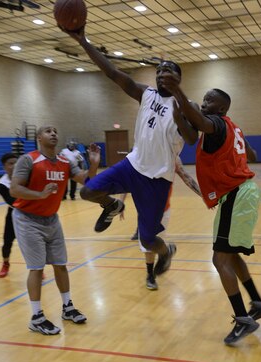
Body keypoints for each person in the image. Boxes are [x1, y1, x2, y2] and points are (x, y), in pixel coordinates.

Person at [62, 26, 199, 277]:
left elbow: (191, 139)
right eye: (158, 71)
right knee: (89, 191)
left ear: (178, 78)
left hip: (157, 179)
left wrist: (179, 110)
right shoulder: (145, 94)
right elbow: (112, 72)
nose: (161, 75)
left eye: (167, 71)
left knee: (147, 240)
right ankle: (112, 206)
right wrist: (83, 41)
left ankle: (166, 251)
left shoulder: (188, 105)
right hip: (132, 166)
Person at [161, 81, 261, 344]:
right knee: (231, 257)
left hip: (236, 195)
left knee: (219, 261)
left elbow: (198, 121)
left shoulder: (217, 123)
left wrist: (178, 90)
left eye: (209, 100)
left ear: (221, 108)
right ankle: (257, 302)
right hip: (238, 195)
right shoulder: (231, 128)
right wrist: (178, 109)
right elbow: (192, 137)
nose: (204, 102)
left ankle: (243, 319)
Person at [10, 126, 100, 335]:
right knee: (37, 268)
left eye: (55, 131)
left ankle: (68, 307)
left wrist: (94, 164)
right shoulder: (29, 159)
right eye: (48, 131)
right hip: (27, 220)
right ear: (39, 137)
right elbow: (15, 189)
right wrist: (40, 195)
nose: (53, 134)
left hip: (52, 219)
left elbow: (87, 180)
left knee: (60, 265)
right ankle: (36, 317)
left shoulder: (64, 162)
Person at [120, 156, 202, 290]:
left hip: (162, 209)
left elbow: (185, 177)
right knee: (148, 244)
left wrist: (203, 196)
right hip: (145, 210)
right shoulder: (140, 155)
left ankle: (165, 253)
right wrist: (121, 202)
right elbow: (127, 179)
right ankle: (150, 276)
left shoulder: (173, 157)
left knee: (156, 243)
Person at [0, 153, 18, 278]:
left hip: (30, 213)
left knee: (31, 242)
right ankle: (5, 263)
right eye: (10, 163)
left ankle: (37, 268)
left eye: (16, 162)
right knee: (7, 241)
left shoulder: (27, 177)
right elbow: (13, 202)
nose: (14, 166)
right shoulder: (2, 184)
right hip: (13, 213)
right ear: (5, 167)